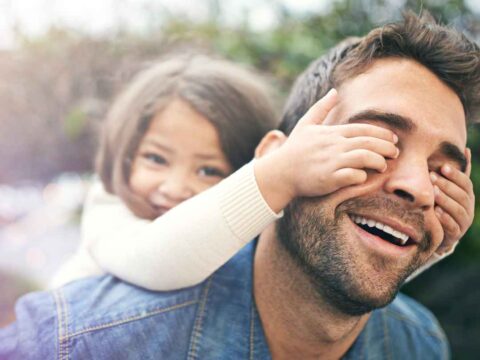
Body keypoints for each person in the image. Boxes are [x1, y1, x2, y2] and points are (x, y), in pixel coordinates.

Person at [0, 11, 477, 359]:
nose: (419, 186)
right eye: (376, 142)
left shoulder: (422, 345)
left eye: (443, 171)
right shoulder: (77, 341)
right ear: (275, 156)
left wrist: (430, 244)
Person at [50, 53, 403, 291]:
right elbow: (158, 261)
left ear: (241, 168)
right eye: (156, 159)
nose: (176, 187)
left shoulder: (240, 224)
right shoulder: (110, 211)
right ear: (123, 154)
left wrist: (420, 245)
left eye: (208, 170)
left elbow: (327, 277)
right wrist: (279, 175)